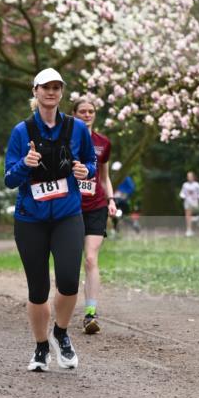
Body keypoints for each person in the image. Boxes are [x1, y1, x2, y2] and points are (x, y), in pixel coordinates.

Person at [5, 69, 96, 371]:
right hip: (31, 218)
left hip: (68, 214)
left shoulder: (77, 128)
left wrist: (87, 171)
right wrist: (24, 164)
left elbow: (90, 162)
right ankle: (41, 347)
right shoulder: (22, 131)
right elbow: (9, 178)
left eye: (57, 87)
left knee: (69, 281)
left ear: (61, 93)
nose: (51, 92)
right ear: (35, 91)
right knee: (38, 288)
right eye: (46, 87)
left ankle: (61, 332)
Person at [71, 96, 117, 335]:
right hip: (69, 207)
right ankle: (65, 306)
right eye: (83, 111)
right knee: (68, 262)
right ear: (74, 114)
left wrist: (111, 200)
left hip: (96, 206)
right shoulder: (66, 140)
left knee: (90, 259)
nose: (87, 115)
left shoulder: (103, 143)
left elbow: (104, 176)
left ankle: (90, 313)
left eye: (91, 111)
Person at [180, 171, 199, 236]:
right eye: (188, 176)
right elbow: (182, 193)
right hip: (187, 202)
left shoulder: (197, 184)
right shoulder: (185, 184)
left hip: (195, 203)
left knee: (197, 217)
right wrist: (184, 196)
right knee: (188, 216)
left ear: (193, 177)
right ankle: (189, 230)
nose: (189, 177)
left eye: (191, 176)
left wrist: (197, 197)